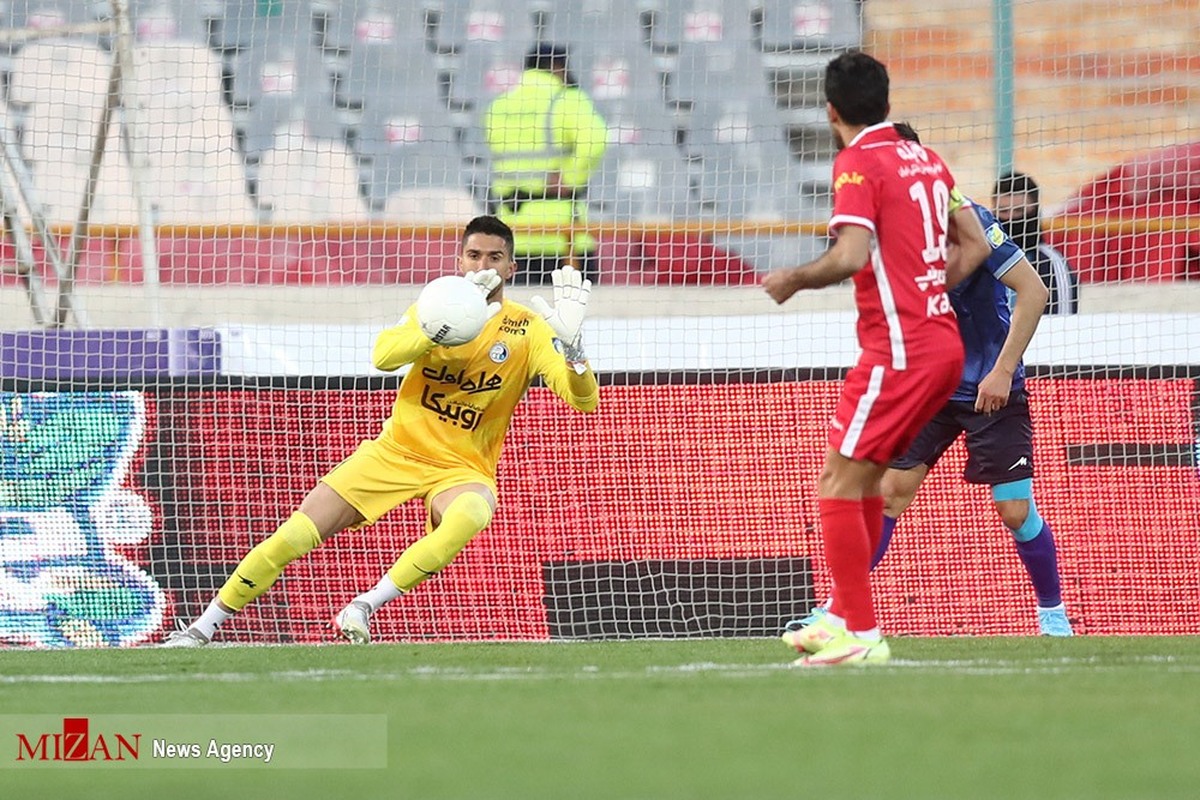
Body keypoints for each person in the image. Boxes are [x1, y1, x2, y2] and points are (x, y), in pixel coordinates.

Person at [162, 216, 599, 647]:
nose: (482, 265)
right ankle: (201, 629)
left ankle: (365, 605)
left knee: (472, 514)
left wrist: (575, 352)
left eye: (494, 257)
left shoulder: (528, 329)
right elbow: (384, 355)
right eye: (473, 255)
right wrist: (438, 330)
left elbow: (583, 399)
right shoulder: (433, 307)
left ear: (510, 269)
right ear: (459, 260)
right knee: (293, 536)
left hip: (460, 467)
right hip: (394, 453)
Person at [783, 124, 1074, 639]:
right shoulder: (889, 228)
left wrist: (1003, 370)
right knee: (890, 492)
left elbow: (1033, 291)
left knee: (1013, 509)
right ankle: (839, 610)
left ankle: (1052, 614)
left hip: (991, 387)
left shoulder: (975, 223)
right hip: (931, 385)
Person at [762, 52, 992, 667]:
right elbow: (971, 245)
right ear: (887, 101)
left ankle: (860, 635)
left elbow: (850, 255)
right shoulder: (929, 160)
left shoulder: (857, 162)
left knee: (835, 482)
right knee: (861, 480)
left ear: (830, 111)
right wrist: (931, 289)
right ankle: (839, 614)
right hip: (941, 343)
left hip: (901, 348)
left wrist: (794, 279)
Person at [483, 43, 607, 285]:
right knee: (572, 312)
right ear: (557, 67)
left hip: (513, 232)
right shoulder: (568, 99)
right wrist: (569, 177)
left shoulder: (499, 105)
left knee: (518, 315)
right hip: (562, 234)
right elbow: (596, 140)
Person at [993, 170, 1079, 315]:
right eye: (1003, 212)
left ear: (1034, 213)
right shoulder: (983, 259)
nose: (1010, 218)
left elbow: (1063, 322)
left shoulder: (1052, 264)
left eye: (1019, 212)